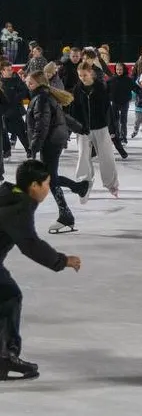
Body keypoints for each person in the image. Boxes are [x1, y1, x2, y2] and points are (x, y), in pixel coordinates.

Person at [0, 160, 82, 381]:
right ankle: (5, 357)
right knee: (9, 297)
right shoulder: (18, 207)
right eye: (46, 184)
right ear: (34, 185)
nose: (48, 188)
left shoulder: (9, 195)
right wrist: (62, 261)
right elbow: (30, 245)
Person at [25, 71, 88, 234]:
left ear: (39, 83)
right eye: (27, 82)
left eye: (30, 83)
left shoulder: (41, 98)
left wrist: (34, 146)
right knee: (50, 178)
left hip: (50, 142)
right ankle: (77, 189)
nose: (28, 85)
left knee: (50, 179)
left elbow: (42, 125)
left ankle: (67, 213)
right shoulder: (45, 96)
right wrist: (79, 127)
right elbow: (62, 116)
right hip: (54, 140)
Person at [71, 62, 119, 200]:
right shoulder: (77, 89)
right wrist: (76, 126)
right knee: (83, 157)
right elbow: (74, 109)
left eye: (85, 75)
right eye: (80, 75)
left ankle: (112, 185)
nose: (82, 78)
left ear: (91, 73)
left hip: (101, 128)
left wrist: (111, 127)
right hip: (83, 130)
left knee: (106, 156)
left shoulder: (100, 88)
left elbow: (107, 109)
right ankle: (84, 185)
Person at [1, 61, 30, 158]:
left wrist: (17, 98)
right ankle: (6, 151)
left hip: (15, 112)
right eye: (8, 70)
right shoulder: (0, 82)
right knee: (3, 134)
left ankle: (29, 150)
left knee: (21, 132)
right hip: (3, 113)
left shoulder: (16, 80)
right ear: (2, 71)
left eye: (11, 69)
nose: (11, 72)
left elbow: (25, 91)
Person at [108, 62, 135, 144]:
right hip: (115, 102)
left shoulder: (128, 80)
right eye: (117, 69)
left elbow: (135, 88)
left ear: (124, 70)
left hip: (124, 102)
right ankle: (117, 137)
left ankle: (124, 138)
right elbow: (106, 88)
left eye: (120, 69)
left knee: (123, 121)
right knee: (115, 121)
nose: (119, 71)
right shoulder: (112, 79)